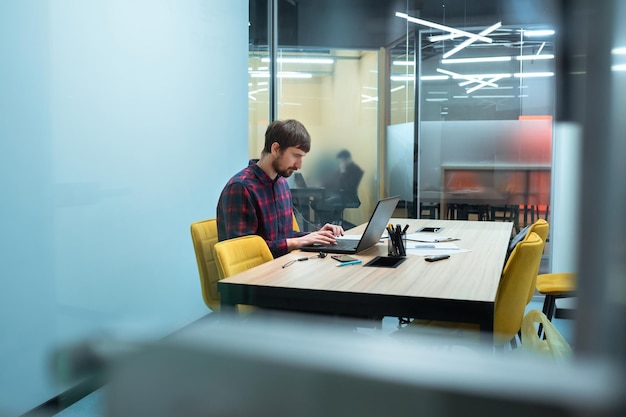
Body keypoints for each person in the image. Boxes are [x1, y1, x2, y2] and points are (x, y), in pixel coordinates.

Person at [216, 119, 344, 258]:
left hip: (282, 268)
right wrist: (297, 242)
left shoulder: (281, 184)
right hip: (254, 276)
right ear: (276, 149)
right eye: (296, 155)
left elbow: (284, 237)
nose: (299, 165)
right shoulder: (241, 188)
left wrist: (315, 235)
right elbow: (243, 251)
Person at [313, 149, 364, 226]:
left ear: (347, 159)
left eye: (341, 161)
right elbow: (334, 182)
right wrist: (320, 185)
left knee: (325, 203)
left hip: (348, 196)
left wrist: (343, 172)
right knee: (315, 202)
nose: (340, 163)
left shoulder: (356, 170)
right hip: (339, 194)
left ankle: (330, 223)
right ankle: (330, 222)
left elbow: (348, 187)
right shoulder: (342, 169)